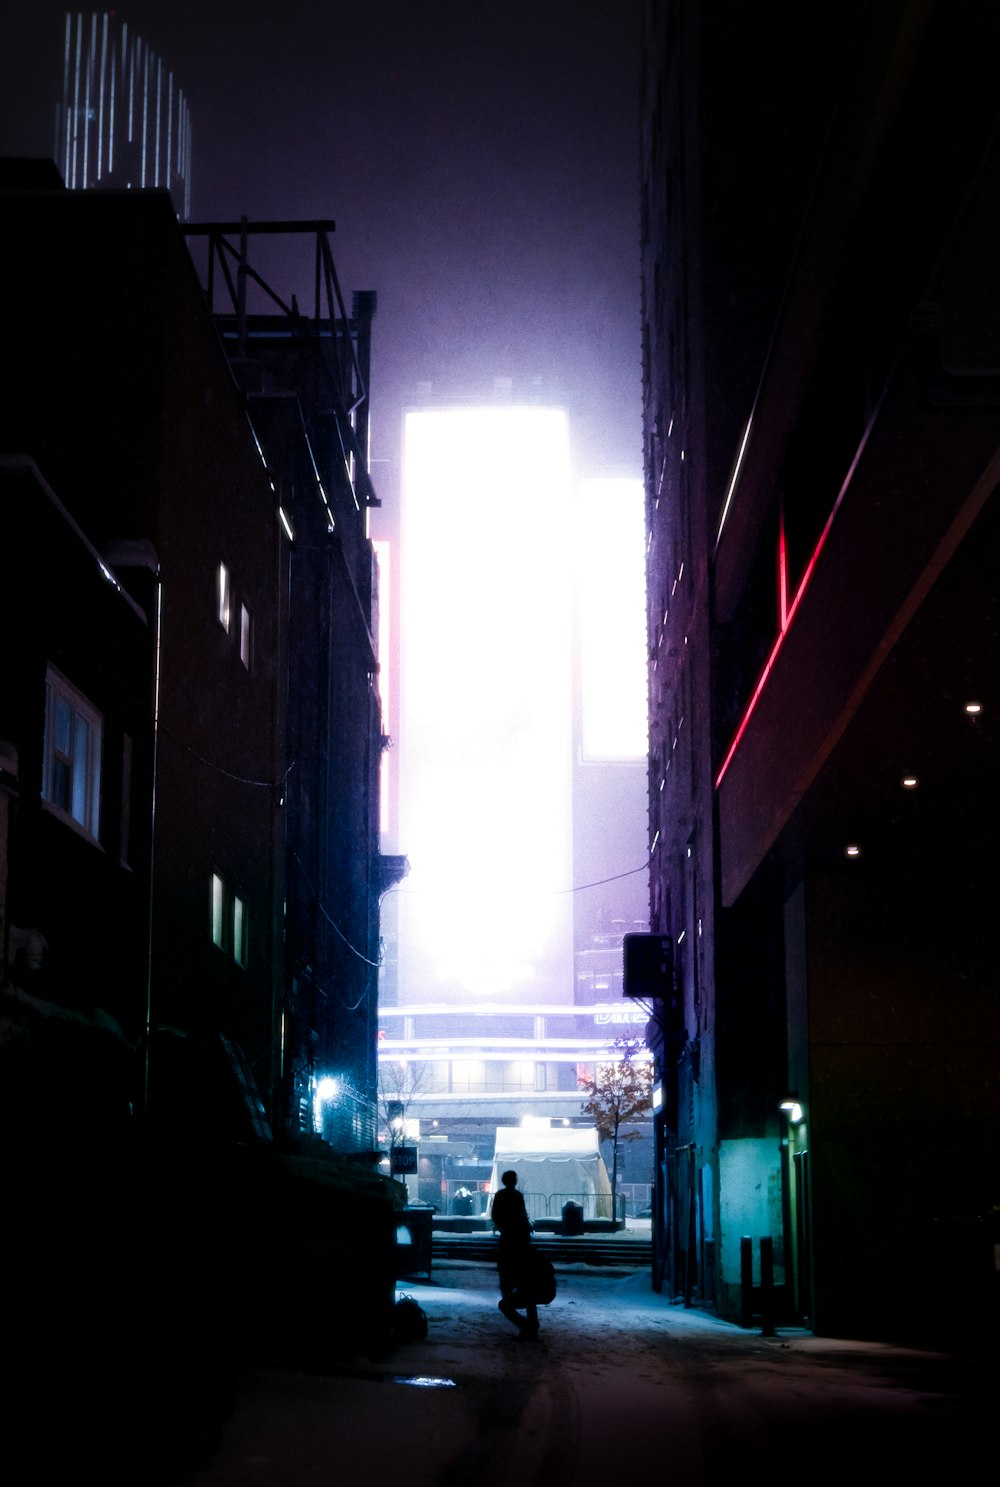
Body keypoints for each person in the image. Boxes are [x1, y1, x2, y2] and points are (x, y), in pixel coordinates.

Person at [491, 1169, 539, 1338]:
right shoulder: (517, 1197)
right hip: (521, 1244)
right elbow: (521, 1216)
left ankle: (524, 1325)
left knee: (506, 1285)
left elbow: (495, 1215)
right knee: (526, 1285)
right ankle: (531, 1324)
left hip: (508, 1243)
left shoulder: (500, 1196)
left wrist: (504, 1228)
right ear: (514, 1181)